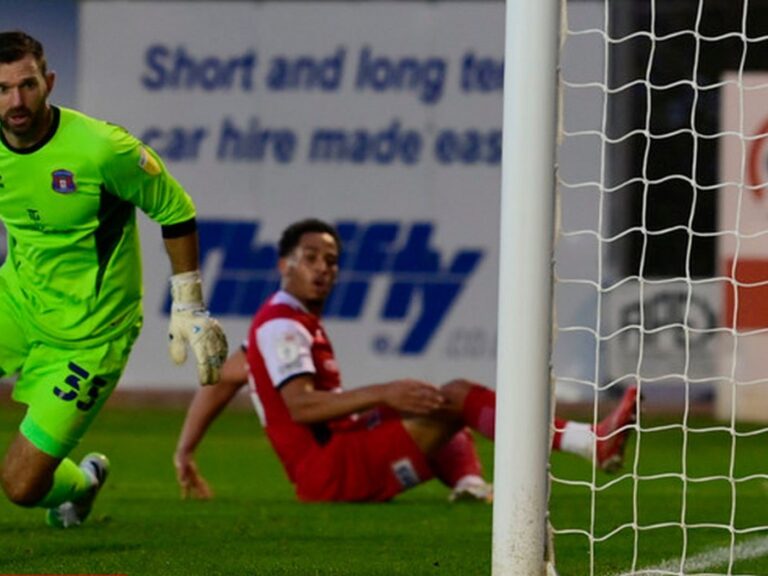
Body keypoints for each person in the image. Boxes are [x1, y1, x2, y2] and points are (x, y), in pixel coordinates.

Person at [174, 218, 638, 503]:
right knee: (449, 397)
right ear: (284, 265)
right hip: (333, 474)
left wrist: (185, 452)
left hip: (336, 460)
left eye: (331, 260)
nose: (323, 268)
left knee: (430, 398)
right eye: (310, 258)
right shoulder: (281, 325)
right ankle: (586, 442)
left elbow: (224, 378)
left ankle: (470, 485)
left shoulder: (283, 324)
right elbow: (301, 408)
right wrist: (382, 391)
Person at [0, 30, 228, 527]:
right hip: (15, 304)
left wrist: (189, 304)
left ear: (49, 82)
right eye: (2, 89)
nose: (15, 101)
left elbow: (175, 208)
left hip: (91, 335)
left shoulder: (102, 150)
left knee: (20, 485)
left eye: (27, 85)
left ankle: (82, 485)